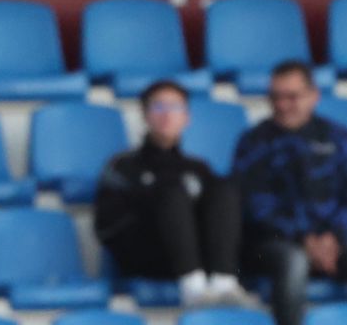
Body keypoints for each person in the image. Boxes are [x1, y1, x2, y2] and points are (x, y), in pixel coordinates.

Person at [232, 60, 347, 325]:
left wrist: (333, 237)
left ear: (313, 95)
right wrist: (304, 239)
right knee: (293, 263)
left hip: (335, 241)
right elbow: (254, 208)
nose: (283, 105)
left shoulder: (339, 139)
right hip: (271, 245)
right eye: (276, 97)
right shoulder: (253, 143)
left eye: (292, 96)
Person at [93, 80, 247, 307]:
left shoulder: (199, 168)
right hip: (146, 255)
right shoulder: (122, 166)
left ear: (187, 117)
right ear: (145, 115)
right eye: (158, 107)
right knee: (172, 193)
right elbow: (107, 226)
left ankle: (223, 280)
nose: (166, 115)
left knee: (224, 189)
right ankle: (192, 286)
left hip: (200, 255)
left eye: (175, 107)